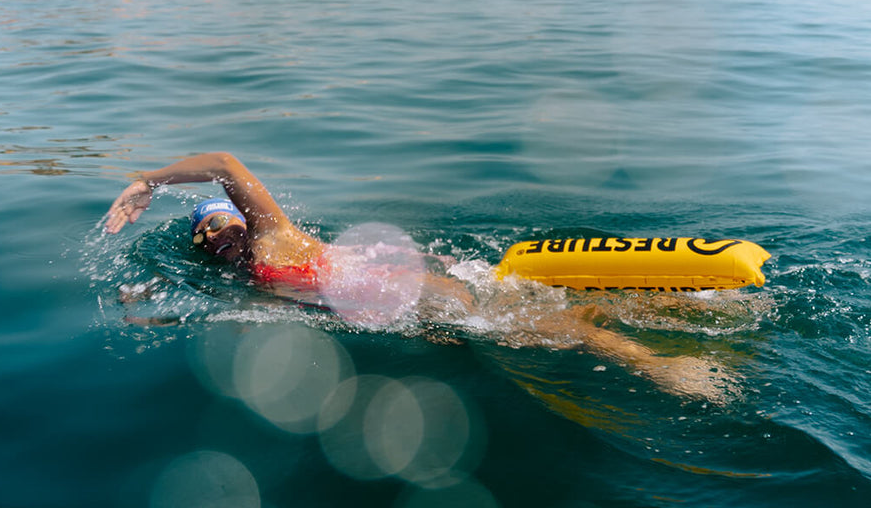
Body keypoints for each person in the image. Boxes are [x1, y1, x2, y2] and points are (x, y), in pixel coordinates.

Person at [106, 152, 736, 402]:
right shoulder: (245, 280)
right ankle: (681, 308)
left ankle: (661, 366)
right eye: (207, 231)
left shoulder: (273, 236)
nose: (219, 232)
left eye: (222, 221)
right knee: (528, 319)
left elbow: (221, 161)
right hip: (401, 303)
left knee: (548, 330)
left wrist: (147, 182)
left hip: (402, 287)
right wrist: (152, 308)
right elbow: (247, 324)